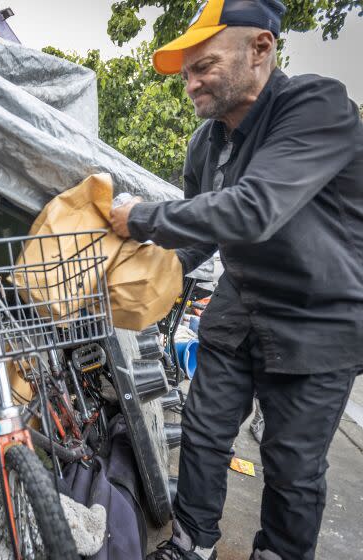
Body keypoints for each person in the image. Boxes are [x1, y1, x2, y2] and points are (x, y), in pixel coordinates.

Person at [108, 0, 363, 558]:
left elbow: (254, 209)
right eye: (186, 73)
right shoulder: (206, 141)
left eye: (204, 66)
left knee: (292, 465)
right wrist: (144, 272)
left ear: (260, 49)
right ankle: (191, 541)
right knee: (202, 432)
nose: (190, 83)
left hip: (316, 319)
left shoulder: (317, 107)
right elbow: (204, 231)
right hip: (239, 304)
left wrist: (141, 216)